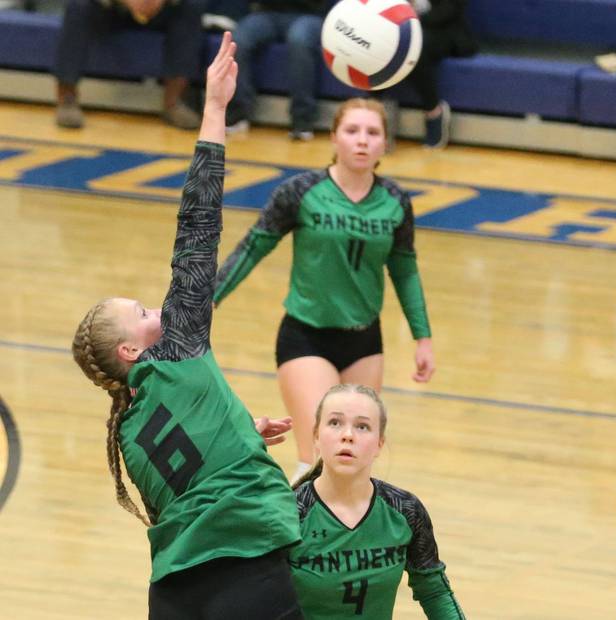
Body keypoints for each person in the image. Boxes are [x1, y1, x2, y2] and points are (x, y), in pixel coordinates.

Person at [70, 33, 303, 619]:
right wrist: (215, 109)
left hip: (174, 592)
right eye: (145, 314)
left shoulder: (126, 428)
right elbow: (198, 225)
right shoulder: (174, 350)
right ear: (131, 348)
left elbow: (190, 471)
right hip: (243, 564)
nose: (160, 310)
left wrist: (239, 429)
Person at [213, 97, 435, 483]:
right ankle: (293, 540)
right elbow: (253, 247)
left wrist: (423, 337)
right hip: (306, 338)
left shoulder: (395, 202)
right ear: (334, 138)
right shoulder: (300, 192)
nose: (362, 141)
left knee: (355, 467)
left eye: (373, 132)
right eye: (352, 131)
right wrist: (206, 301)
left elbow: (405, 269)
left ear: (385, 143)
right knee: (319, 457)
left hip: (365, 341)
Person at [290, 383, 464, 619]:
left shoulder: (405, 510)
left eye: (362, 426)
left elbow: (434, 593)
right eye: (335, 423)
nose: (348, 435)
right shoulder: (289, 513)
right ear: (316, 436)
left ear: (379, 444)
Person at [53, 0, 205, 130]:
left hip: (158, 9)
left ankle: (174, 102)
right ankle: (67, 98)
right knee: (78, 5)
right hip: (111, 9)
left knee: (191, 6)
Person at [224, 0, 326, 139]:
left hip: (310, 14)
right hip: (267, 12)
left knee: (299, 41)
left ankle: (303, 120)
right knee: (239, 41)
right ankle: (238, 114)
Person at [388, 0, 477, 149]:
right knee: (374, 44)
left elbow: (449, 9)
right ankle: (377, 115)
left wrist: (411, 18)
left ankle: (434, 111)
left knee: (414, 48)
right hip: (394, 23)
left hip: (441, 27)